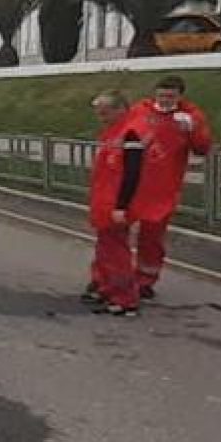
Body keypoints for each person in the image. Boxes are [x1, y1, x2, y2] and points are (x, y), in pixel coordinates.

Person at [128, 75, 212, 299]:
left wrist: (192, 130)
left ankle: (145, 280)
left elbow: (202, 148)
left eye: (170, 96)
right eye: (161, 95)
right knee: (113, 232)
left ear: (179, 96)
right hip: (131, 183)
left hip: (162, 188)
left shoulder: (190, 117)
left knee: (151, 237)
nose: (165, 100)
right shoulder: (140, 110)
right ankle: (110, 276)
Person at [83, 90, 146, 317]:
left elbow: (132, 173)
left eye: (105, 113)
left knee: (117, 254)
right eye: (99, 114)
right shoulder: (113, 132)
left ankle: (126, 298)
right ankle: (108, 289)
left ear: (120, 109)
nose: (102, 118)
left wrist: (121, 206)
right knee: (105, 250)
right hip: (104, 202)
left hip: (116, 205)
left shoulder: (131, 134)